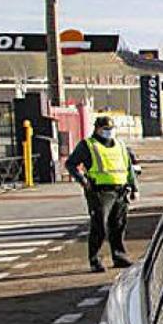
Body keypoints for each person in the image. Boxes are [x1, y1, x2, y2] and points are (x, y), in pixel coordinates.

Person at [65, 116, 138, 272]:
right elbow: (70, 164)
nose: (109, 132)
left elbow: (128, 167)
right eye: (105, 129)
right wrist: (83, 180)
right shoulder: (88, 145)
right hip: (99, 191)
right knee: (100, 226)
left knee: (118, 225)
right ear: (97, 129)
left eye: (111, 129)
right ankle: (95, 259)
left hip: (120, 191)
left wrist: (134, 187)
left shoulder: (120, 145)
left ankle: (119, 256)